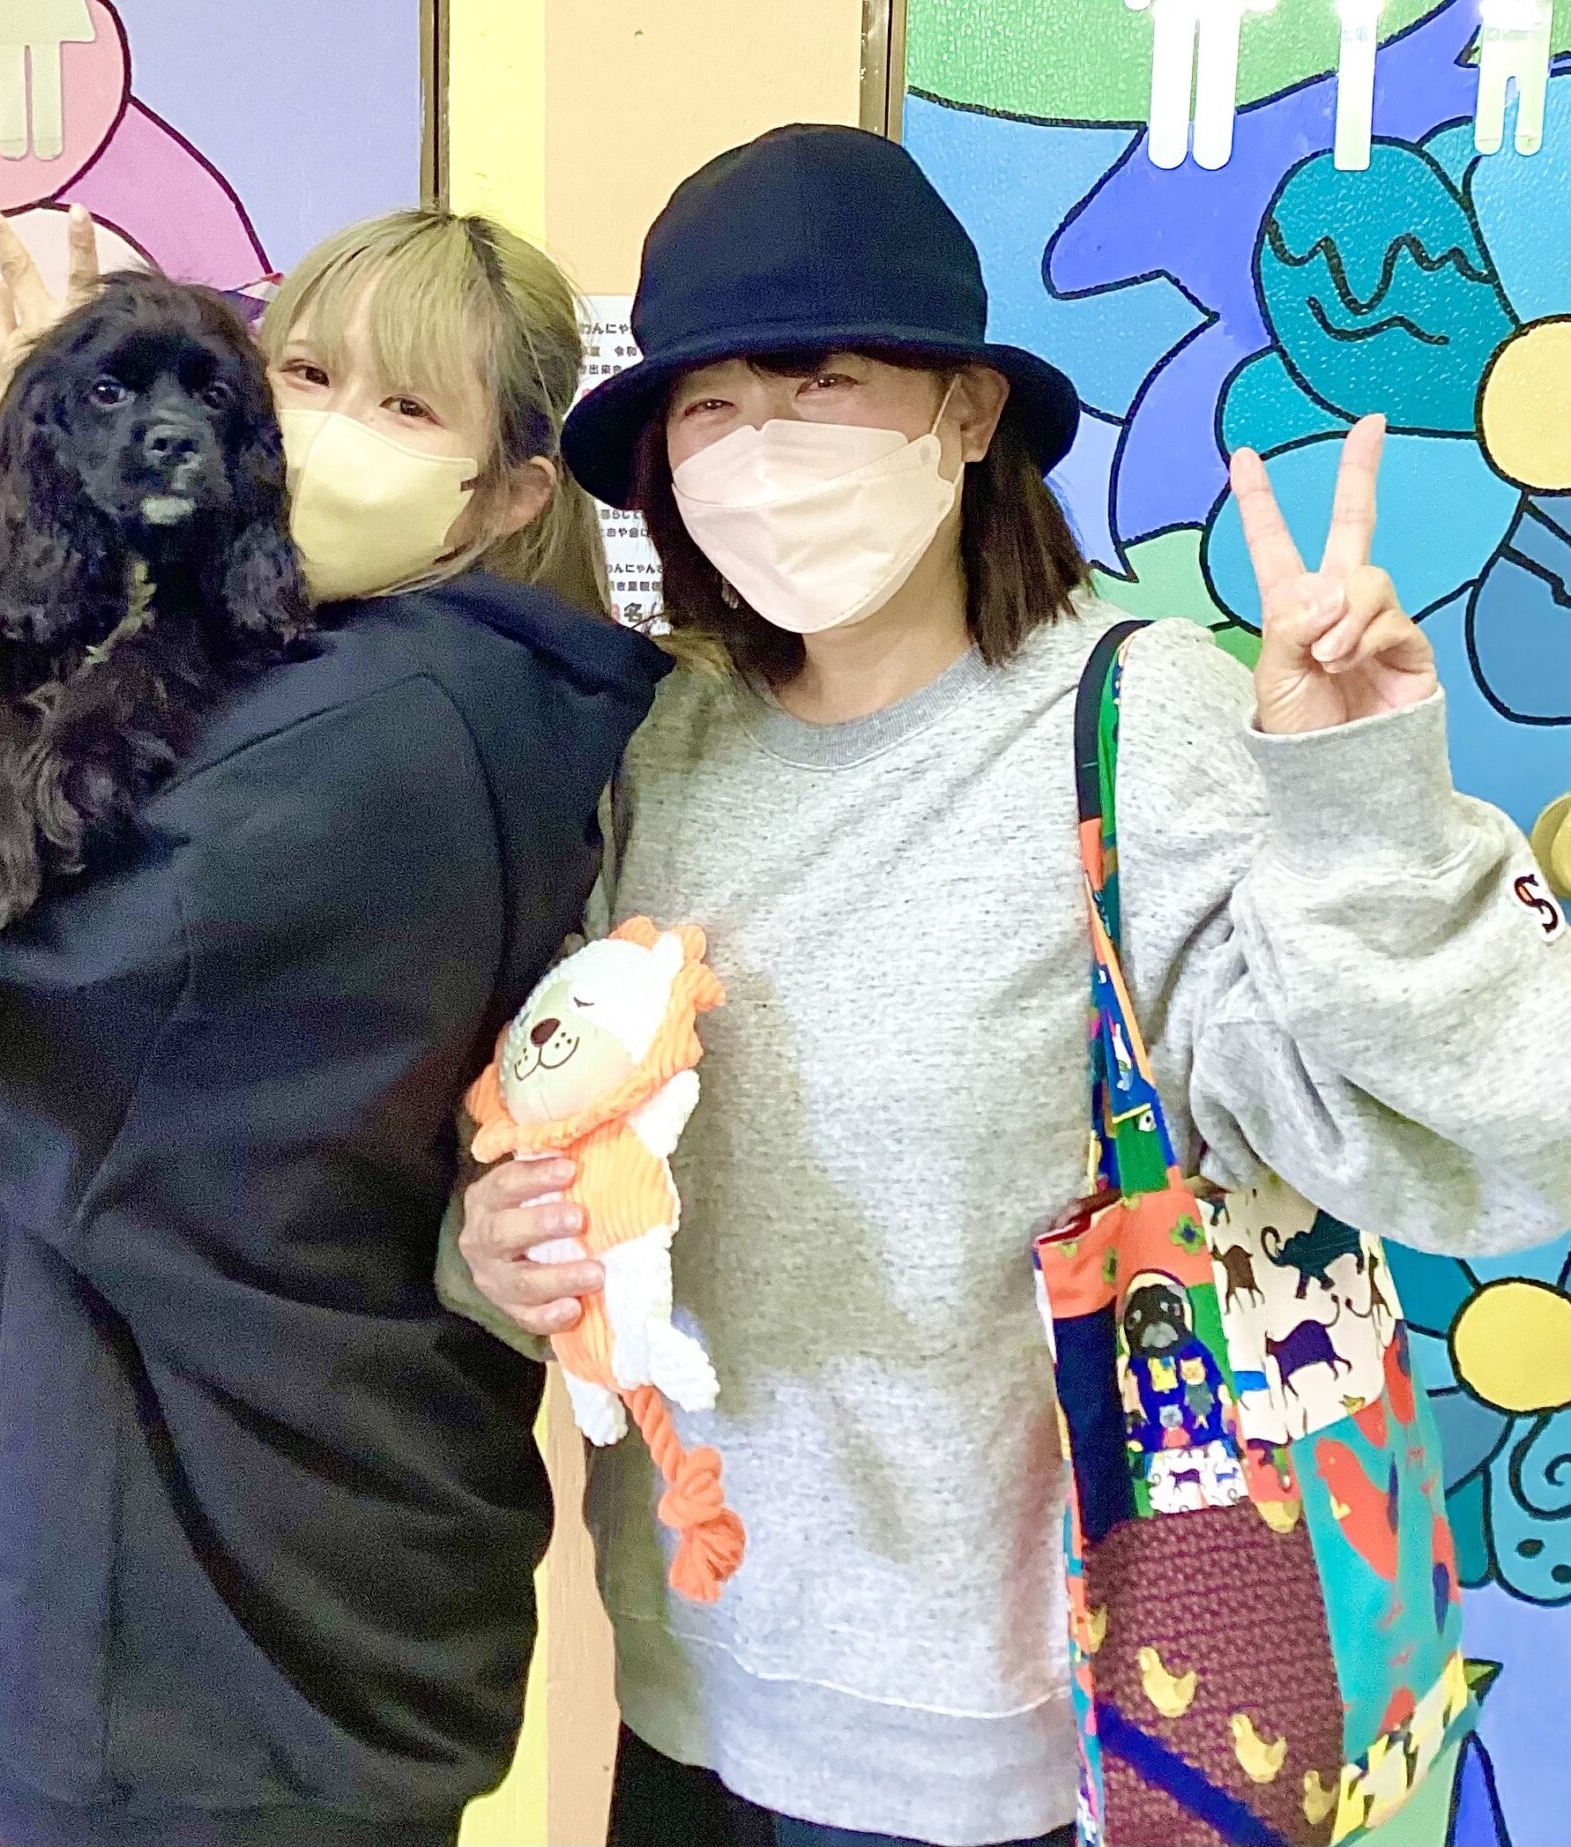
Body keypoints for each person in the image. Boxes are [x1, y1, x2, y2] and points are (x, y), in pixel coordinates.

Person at [451, 124, 1571, 1847]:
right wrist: (510, 1238)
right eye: (709, 407)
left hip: (1030, 1741)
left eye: (822, 384)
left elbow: (1502, 1143)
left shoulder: (1138, 724)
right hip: (693, 1684)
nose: (760, 450)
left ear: (968, 413)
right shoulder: (663, 746)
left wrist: (1365, 809)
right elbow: (577, 1119)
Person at [0, 202, 669, 1847]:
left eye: (407, 405)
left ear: (513, 492)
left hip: (207, 1646)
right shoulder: (478, 690)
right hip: (313, 1585)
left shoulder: (363, 743)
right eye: (300, 374)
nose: (323, 430)